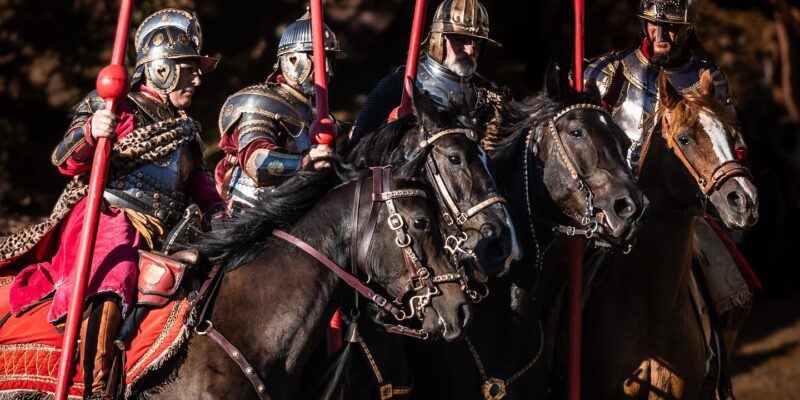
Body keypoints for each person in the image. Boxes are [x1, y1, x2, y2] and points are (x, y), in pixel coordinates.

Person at [0, 9, 224, 398]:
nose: (198, 78)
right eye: (188, 68)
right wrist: (92, 131)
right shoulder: (117, 106)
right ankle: (95, 385)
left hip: (166, 231)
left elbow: (200, 185)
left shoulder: (187, 130)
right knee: (112, 278)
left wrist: (222, 214)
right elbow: (64, 160)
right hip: (110, 217)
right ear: (160, 69)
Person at [584, 1, 755, 397]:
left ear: (687, 29)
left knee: (734, 287)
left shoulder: (707, 77)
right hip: (611, 211)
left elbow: (734, 144)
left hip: (682, 213)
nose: (663, 35)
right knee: (557, 277)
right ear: (644, 23)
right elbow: (582, 133)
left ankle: (716, 378)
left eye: (673, 28)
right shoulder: (610, 70)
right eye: (656, 25)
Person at [215, 10, 343, 209]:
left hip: (302, 209)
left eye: (330, 60)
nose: (327, 69)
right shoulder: (261, 101)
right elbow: (256, 161)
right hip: (253, 211)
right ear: (292, 60)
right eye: (318, 59)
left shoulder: (319, 114)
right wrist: (306, 161)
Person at [350, 0, 508, 153]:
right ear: (437, 39)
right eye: (460, 39)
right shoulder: (399, 85)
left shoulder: (489, 97)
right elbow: (357, 151)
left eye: (477, 42)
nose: (470, 50)